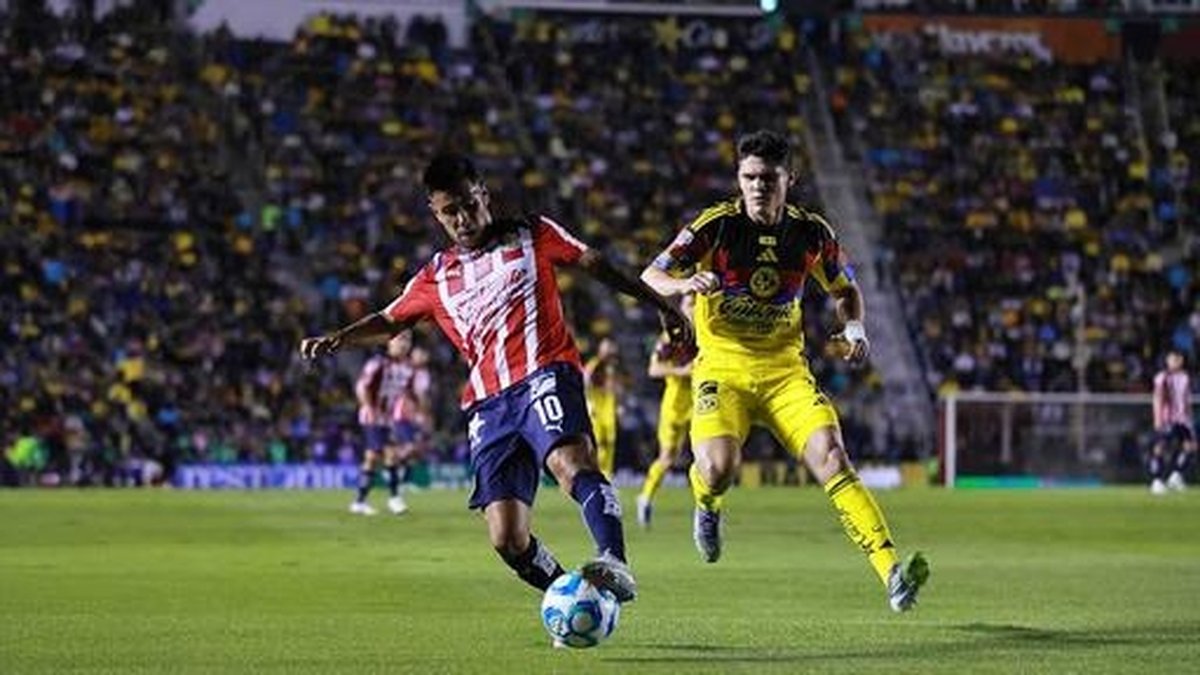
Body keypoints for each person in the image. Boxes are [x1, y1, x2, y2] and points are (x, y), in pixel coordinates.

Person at [301, 153, 693, 620]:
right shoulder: (435, 276)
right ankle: (575, 599)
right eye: (450, 211)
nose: (463, 219)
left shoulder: (532, 233)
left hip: (545, 371)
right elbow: (389, 321)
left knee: (570, 464)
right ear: (435, 212)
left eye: (469, 204)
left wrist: (661, 305)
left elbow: (593, 261)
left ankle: (614, 559)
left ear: (483, 194)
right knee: (507, 537)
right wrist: (340, 338)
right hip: (488, 405)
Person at [640, 129, 929, 612]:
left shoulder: (811, 233)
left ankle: (891, 573)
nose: (758, 186)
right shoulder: (715, 225)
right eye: (749, 177)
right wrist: (684, 283)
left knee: (832, 457)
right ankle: (707, 504)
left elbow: (845, 288)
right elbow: (651, 274)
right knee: (717, 469)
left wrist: (854, 327)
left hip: (784, 373)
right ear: (739, 178)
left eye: (768, 178)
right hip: (723, 370)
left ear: (789, 179)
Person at [349, 330, 429, 516]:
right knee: (388, 454)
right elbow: (361, 386)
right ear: (389, 343)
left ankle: (360, 501)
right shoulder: (378, 363)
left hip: (387, 418)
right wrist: (368, 406)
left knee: (372, 457)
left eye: (407, 340)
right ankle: (394, 498)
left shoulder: (408, 368)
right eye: (400, 339)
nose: (404, 344)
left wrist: (418, 411)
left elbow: (410, 393)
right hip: (373, 416)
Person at [637, 293, 696, 528]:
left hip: (701, 400)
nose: (693, 308)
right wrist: (682, 371)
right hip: (675, 404)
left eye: (696, 304)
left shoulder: (709, 334)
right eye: (690, 304)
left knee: (705, 454)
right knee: (667, 457)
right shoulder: (672, 336)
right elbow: (653, 369)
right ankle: (645, 498)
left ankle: (707, 511)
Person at [1150, 349, 1195, 494]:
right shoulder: (1162, 377)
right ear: (1167, 361)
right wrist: (1158, 418)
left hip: (1182, 419)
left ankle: (1176, 475)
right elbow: (1157, 398)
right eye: (1173, 359)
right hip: (1167, 419)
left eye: (1178, 359)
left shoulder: (1185, 377)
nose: (1176, 362)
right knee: (1160, 447)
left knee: (1190, 446)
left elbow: (1186, 400)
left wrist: (1189, 417)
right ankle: (1156, 480)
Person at [584, 337, 620, 478]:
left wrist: (618, 405)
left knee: (610, 441)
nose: (610, 351)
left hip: (609, 408)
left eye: (611, 348)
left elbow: (614, 387)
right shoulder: (595, 364)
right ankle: (594, 471)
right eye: (607, 348)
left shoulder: (613, 366)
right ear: (601, 350)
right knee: (598, 442)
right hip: (597, 408)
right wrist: (588, 402)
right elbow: (585, 380)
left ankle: (607, 474)